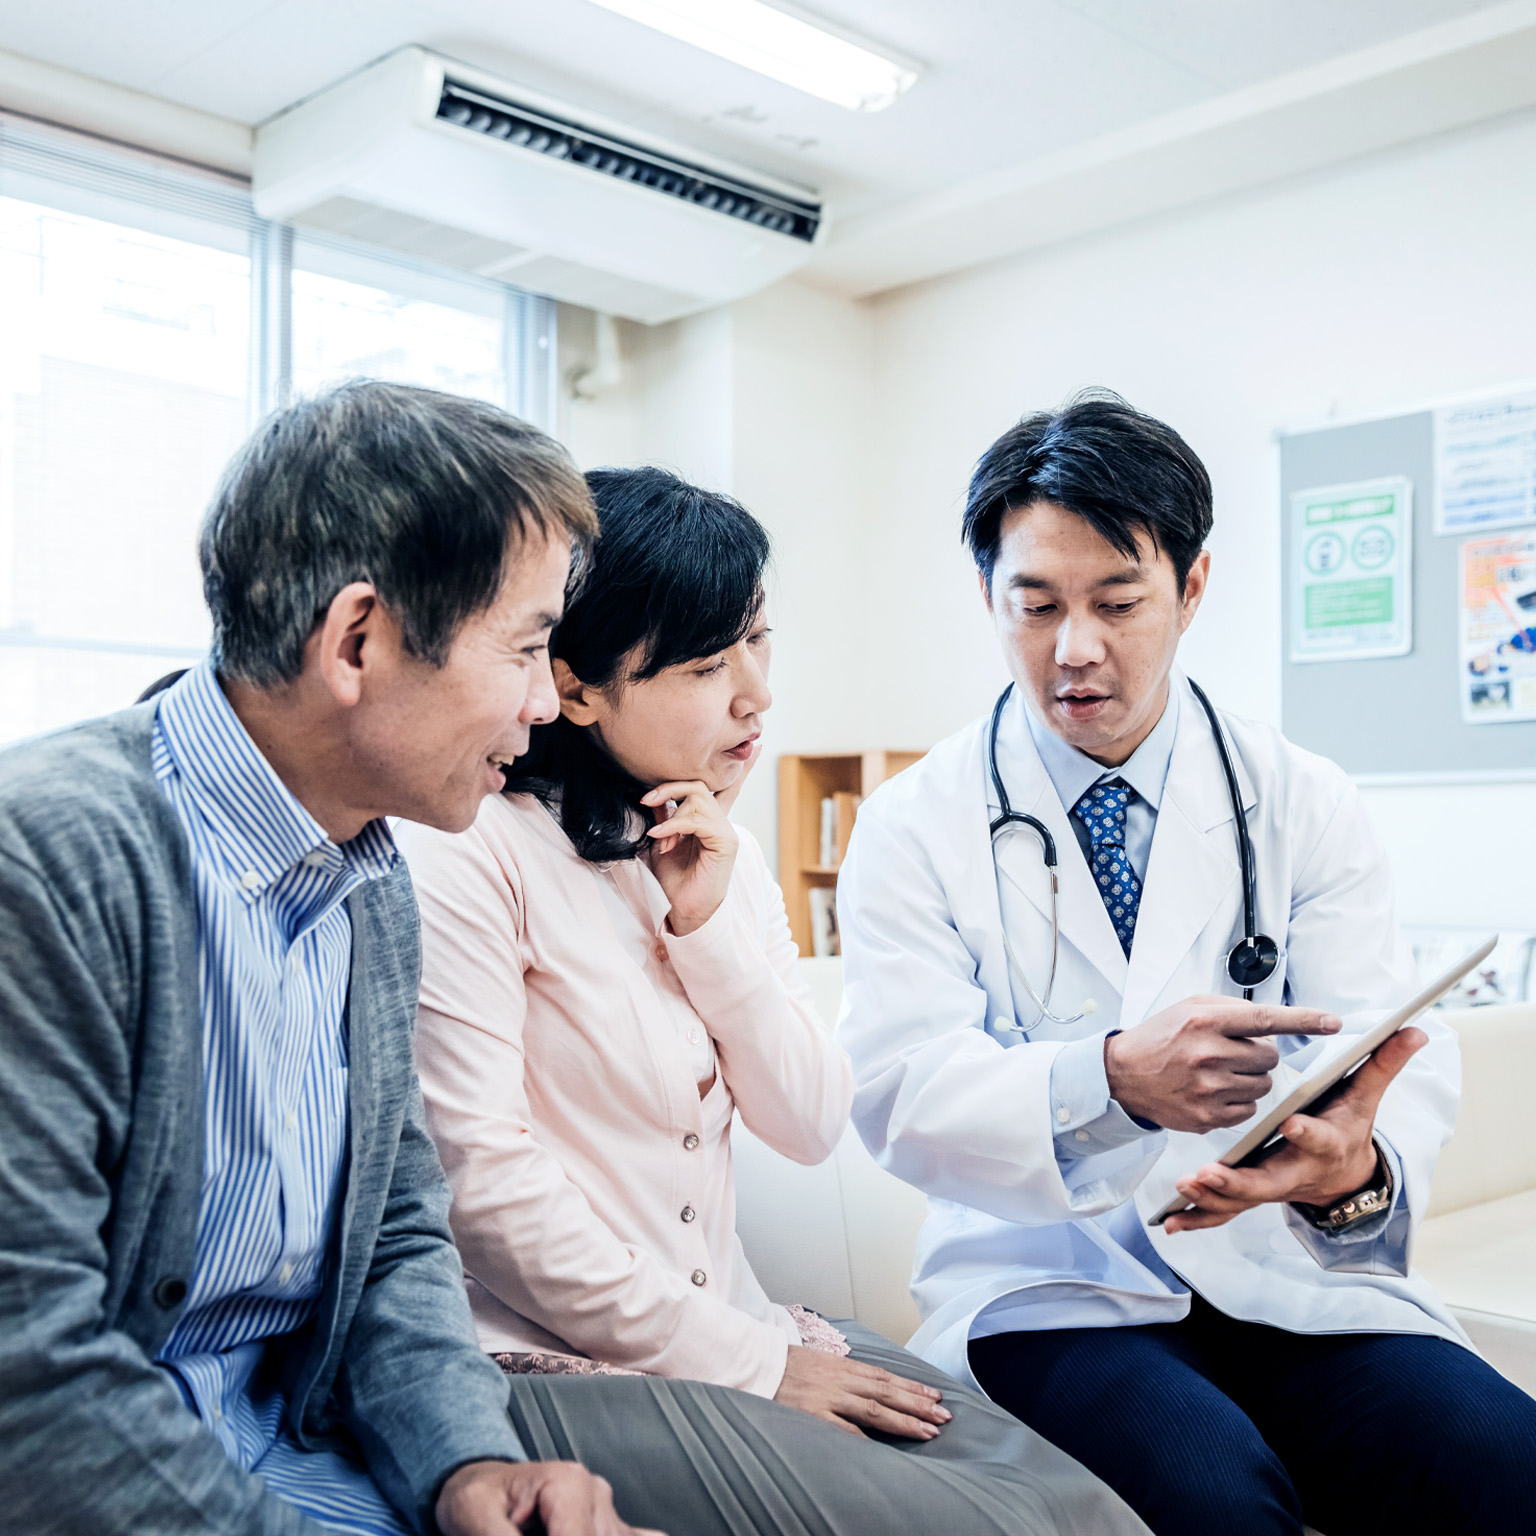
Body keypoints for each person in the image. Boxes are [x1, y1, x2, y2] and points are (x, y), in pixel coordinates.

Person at [397, 466, 1150, 1536]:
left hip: (736, 1326)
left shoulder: (725, 855)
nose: (756, 693)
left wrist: (709, 934)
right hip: (549, 1368)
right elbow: (488, 1193)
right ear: (573, 686)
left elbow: (807, 1124)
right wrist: (753, 1363)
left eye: (758, 640)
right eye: (708, 663)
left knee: (1090, 1509)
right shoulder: (471, 853)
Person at [835, 391, 1536, 1536]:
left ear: (1192, 588)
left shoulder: (1302, 797)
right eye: (1037, 604)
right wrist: (1107, 1079)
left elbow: (1389, 1046)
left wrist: (1348, 1169)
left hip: (1286, 1268)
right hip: (1048, 1282)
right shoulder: (917, 821)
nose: (1076, 649)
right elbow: (896, 1089)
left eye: (1119, 601)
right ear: (987, 595)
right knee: (1212, 1493)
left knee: (1503, 1459)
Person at [0, 382, 659, 1536]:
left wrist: (467, 1465)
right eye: (528, 647)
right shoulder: (49, 864)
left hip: (298, 1462)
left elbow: (397, 1229)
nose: (551, 702)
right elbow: (28, 1372)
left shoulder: (371, 875)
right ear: (358, 641)